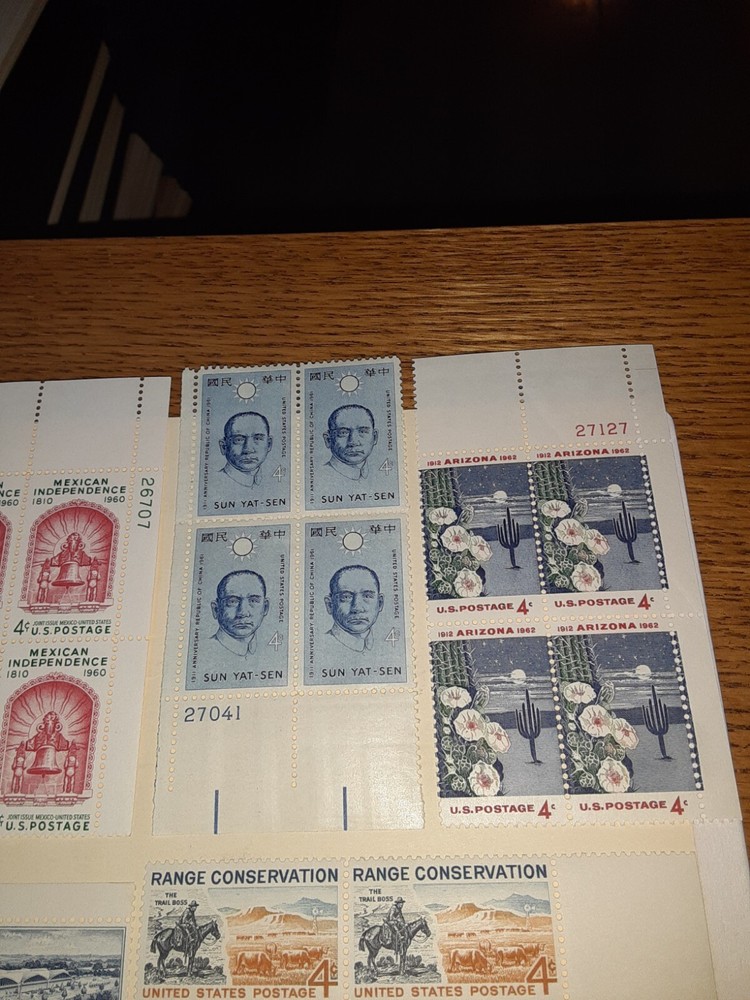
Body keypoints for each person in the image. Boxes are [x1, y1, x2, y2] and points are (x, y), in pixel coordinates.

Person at [210, 569, 269, 657]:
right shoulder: (206, 650)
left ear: (265, 607)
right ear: (216, 609)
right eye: (233, 601)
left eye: (253, 601)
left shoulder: (270, 651)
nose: (243, 613)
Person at [324, 565, 384, 652]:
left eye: (367, 596)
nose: (357, 608)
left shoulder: (386, 646)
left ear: (380, 603)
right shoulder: (321, 646)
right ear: (329, 605)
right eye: (346, 597)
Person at [323, 405, 378, 481]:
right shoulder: (320, 475)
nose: (353, 442)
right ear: (328, 440)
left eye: (362, 431)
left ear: (375, 437)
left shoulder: (380, 475)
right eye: (343, 433)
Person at [219, 411, 272, 487]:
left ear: (269, 444)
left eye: (257, 438)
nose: (248, 449)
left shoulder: (274, 482)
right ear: (224, 447)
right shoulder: (216, 482)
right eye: (239, 440)